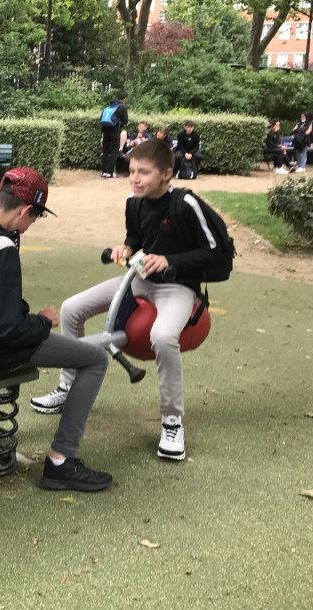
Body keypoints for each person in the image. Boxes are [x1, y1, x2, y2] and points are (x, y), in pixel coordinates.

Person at [30, 140, 224, 462]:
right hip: (139, 280)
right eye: (132, 171)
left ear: (166, 174)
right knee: (71, 309)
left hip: (177, 286)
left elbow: (216, 251)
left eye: (143, 172)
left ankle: (172, 422)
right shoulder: (134, 202)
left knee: (163, 336)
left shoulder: (185, 203)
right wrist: (126, 248)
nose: (135, 178)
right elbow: (135, 238)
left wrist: (170, 260)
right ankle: (67, 388)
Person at [0, 168, 112, 491]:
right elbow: (7, 331)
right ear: (25, 210)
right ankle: (61, 462)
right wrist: (43, 321)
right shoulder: (1, 248)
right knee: (95, 359)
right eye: (36, 217)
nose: (32, 224)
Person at [100, 92, 128, 179]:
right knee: (114, 152)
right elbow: (125, 121)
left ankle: (104, 172)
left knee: (105, 151)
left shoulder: (109, 106)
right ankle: (111, 173)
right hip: (115, 131)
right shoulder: (122, 107)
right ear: (124, 99)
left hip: (105, 130)